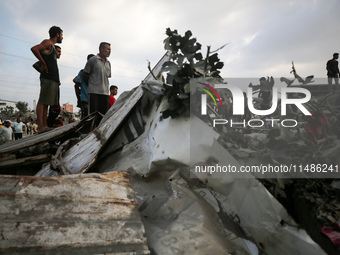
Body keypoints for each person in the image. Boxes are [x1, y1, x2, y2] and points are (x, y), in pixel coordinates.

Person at [31, 26, 63, 133]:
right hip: (48, 78)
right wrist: (43, 63)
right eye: (61, 35)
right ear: (57, 34)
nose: (62, 37)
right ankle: (41, 126)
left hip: (53, 79)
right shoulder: (48, 43)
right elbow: (34, 49)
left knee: (46, 103)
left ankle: (44, 125)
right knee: (42, 102)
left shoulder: (52, 47)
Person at [82, 42, 111, 126]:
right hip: (94, 92)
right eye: (108, 49)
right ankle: (91, 133)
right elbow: (85, 74)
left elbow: (107, 76)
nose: (109, 51)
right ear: (101, 49)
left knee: (103, 115)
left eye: (110, 50)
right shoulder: (93, 60)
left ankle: (100, 133)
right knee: (93, 115)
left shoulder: (108, 63)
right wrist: (91, 84)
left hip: (105, 93)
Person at [33, 45, 62, 128]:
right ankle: (42, 125)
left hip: (54, 82)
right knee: (44, 102)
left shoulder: (53, 61)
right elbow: (36, 64)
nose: (60, 54)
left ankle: (45, 124)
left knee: (48, 104)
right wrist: (43, 70)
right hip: (48, 81)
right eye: (58, 51)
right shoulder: (48, 58)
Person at [74, 54, 95, 119]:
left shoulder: (83, 72)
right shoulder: (82, 72)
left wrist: (78, 98)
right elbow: (76, 86)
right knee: (86, 118)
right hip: (86, 99)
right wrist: (78, 98)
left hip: (91, 99)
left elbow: (76, 85)